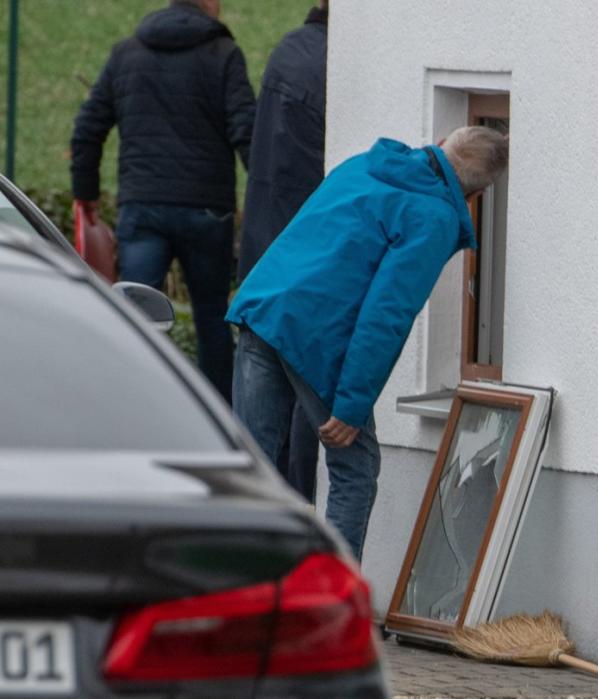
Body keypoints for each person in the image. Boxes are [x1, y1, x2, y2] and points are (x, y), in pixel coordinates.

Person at [227, 127, 509, 559]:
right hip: (313, 334)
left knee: (252, 468)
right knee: (355, 468)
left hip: (263, 310)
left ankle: (231, 593)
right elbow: (386, 316)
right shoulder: (432, 217)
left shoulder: (366, 165)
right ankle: (330, 607)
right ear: (478, 192)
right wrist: (351, 406)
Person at [71, 0, 255, 402]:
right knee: (211, 321)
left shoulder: (127, 53)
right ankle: (218, 423)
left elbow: (87, 130)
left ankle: (128, 406)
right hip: (207, 211)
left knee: (136, 318)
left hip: (143, 208)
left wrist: (85, 196)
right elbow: (247, 134)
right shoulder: (224, 54)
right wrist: (263, 203)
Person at [238, 0, 329, 502]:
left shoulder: (290, 52)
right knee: (300, 425)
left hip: (263, 261)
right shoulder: (327, 66)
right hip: (302, 268)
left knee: (257, 428)